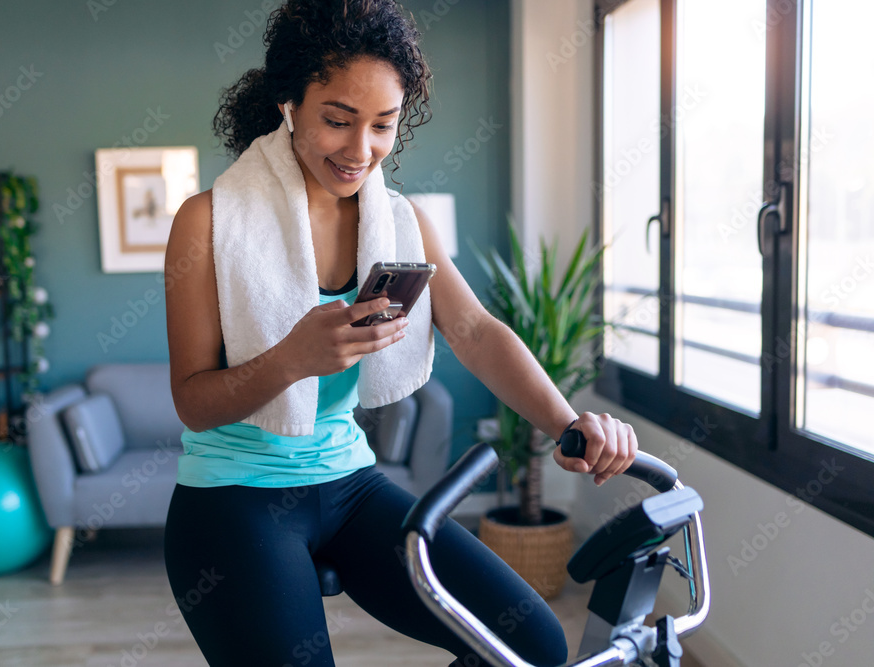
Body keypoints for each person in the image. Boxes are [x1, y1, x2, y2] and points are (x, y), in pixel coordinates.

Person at [163, 2, 639, 666]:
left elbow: (473, 327)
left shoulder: (397, 219)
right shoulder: (207, 221)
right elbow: (193, 399)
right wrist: (293, 358)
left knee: (529, 644)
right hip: (231, 496)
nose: (361, 150)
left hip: (350, 483)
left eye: (383, 125)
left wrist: (568, 424)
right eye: (337, 120)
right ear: (289, 103)